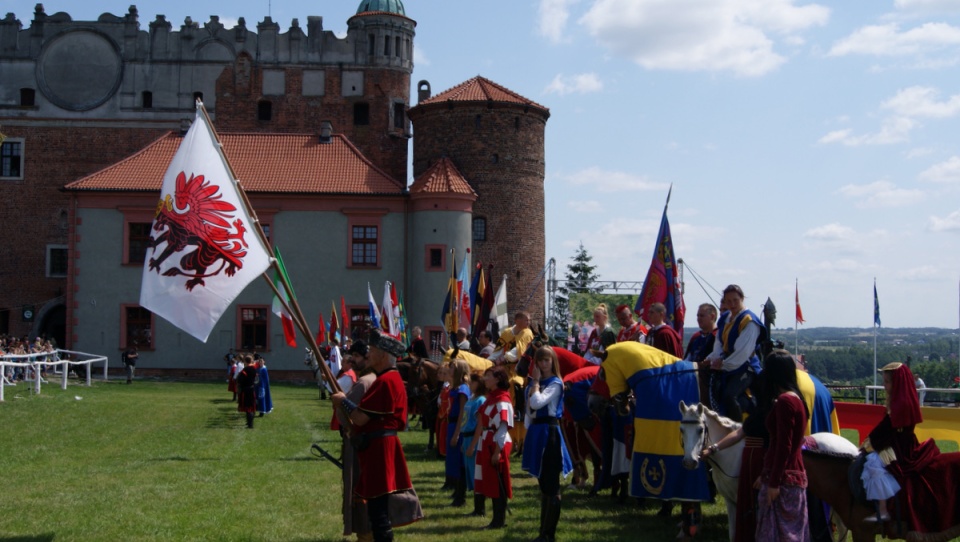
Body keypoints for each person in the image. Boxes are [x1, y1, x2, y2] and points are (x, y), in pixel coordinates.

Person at [331, 330, 423, 542]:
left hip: (380, 448)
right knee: (376, 508)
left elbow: (361, 418)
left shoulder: (386, 381)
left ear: (383, 355)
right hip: (379, 445)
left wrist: (342, 401)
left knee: (378, 510)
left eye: (372, 351)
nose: (368, 354)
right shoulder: (387, 378)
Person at [756, 349, 810, 541]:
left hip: (784, 480)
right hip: (790, 475)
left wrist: (774, 482)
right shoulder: (795, 399)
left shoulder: (785, 402)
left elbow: (783, 446)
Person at [522, 347, 574, 542]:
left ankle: (548, 534)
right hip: (536, 432)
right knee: (543, 485)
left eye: (547, 360)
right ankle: (542, 532)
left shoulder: (555, 383)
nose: (543, 364)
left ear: (553, 362)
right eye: (540, 361)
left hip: (549, 434)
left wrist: (534, 383)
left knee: (551, 485)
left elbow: (537, 402)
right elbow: (529, 410)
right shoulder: (535, 383)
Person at [706, 285, 763, 422]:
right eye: (728, 301)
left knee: (729, 396)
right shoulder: (726, 317)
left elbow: (742, 353)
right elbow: (719, 342)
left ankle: (737, 429)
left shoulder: (749, 321)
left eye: (735, 300)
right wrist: (714, 359)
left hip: (745, 367)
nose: (732, 304)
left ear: (742, 299)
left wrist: (723, 364)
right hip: (725, 363)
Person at [475, 366, 514, 529]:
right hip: (487, 440)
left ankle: (499, 520)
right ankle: (496, 518)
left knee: (498, 481)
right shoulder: (491, 397)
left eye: (488, 376)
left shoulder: (502, 400)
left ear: (498, 379)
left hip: (496, 443)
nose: (485, 379)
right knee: (489, 480)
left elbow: (503, 428)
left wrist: (497, 452)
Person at [462, 372, 488, 517]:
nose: (469, 385)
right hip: (466, 438)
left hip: (474, 438)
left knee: (476, 473)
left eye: (471, 382)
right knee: (470, 472)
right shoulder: (471, 399)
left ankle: (480, 508)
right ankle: (476, 506)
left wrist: (473, 445)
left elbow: (480, 424)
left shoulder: (481, 401)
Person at [446, 360, 471, 507]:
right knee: (453, 460)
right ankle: (456, 491)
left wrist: (456, 433)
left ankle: (460, 495)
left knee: (459, 461)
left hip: (458, 426)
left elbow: (463, 412)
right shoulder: (455, 387)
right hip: (451, 423)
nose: (450, 370)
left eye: (453, 368)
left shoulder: (463, 389)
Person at [683, 303, 718, 406]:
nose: (698, 319)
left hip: (709, 380)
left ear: (712, 316)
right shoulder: (696, 337)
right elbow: (688, 358)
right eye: (697, 316)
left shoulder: (717, 336)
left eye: (702, 316)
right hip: (691, 377)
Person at [236, 355, 259, 429]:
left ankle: (250, 425)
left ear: (245, 361)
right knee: (251, 407)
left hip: (246, 390)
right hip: (252, 389)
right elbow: (256, 380)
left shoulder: (245, 370)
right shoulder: (254, 369)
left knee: (248, 407)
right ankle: (250, 423)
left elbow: (240, 380)